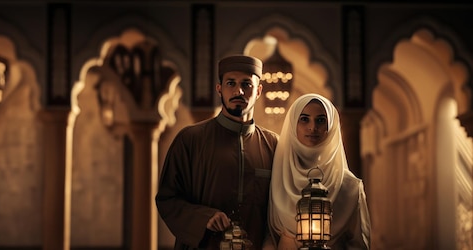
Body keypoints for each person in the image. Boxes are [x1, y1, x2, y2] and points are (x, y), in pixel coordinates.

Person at [156, 55, 279, 249]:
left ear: (259, 91)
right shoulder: (190, 139)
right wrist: (204, 217)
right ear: (219, 88)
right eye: (231, 83)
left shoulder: (273, 145)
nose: (238, 90)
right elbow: (167, 199)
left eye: (246, 84)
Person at [267, 93, 371, 249]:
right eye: (304, 119)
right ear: (293, 124)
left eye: (321, 120)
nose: (312, 127)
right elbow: (268, 236)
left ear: (331, 126)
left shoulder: (350, 186)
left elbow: (359, 244)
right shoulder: (277, 176)